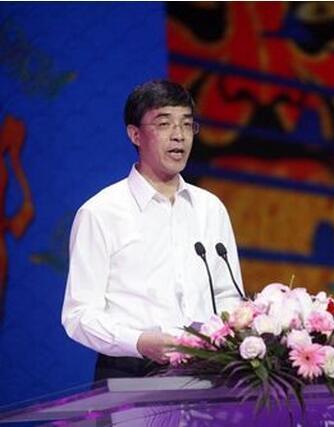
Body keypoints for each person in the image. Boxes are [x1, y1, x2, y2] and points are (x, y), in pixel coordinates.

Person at [61, 79, 244, 381]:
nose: (179, 135)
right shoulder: (101, 213)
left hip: (208, 371)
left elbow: (228, 295)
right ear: (135, 134)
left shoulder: (210, 208)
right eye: (164, 124)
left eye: (187, 124)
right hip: (131, 371)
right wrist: (139, 342)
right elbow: (79, 315)